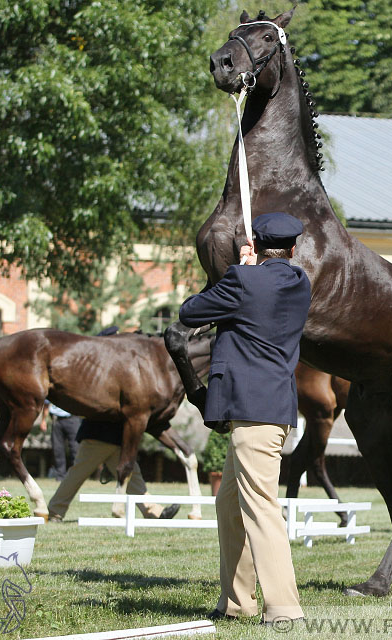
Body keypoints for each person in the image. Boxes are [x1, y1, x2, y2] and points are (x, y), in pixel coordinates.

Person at [179, 212, 311, 625]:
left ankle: (285, 609)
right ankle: (236, 602)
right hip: (272, 408)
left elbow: (190, 312)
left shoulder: (241, 280)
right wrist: (249, 269)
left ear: (257, 244)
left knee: (260, 507)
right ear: (292, 250)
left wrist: (240, 268)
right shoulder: (300, 283)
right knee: (229, 505)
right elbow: (262, 294)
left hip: (252, 411)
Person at [47, 419, 181, 522]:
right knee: (76, 475)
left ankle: (154, 512)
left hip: (117, 439)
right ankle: (54, 512)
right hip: (96, 436)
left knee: (132, 474)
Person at [40, 401, 81, 481]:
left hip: (73, 418)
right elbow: (46, 404)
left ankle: (76, 476)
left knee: (75, 449)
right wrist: (43, 420)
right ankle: (60, 476)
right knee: (57, 449)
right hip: (56, 419)